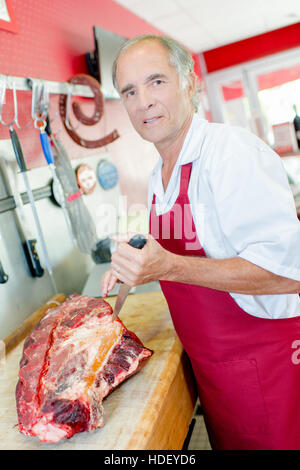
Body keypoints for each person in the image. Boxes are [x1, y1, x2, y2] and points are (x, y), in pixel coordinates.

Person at [101, 34, 300, 450]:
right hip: (216, 373)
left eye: (157, 81)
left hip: (270, 367)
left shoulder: (230, 154)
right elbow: (171, 245)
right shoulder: (159, 172)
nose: (143, 102)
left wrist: (170, 267)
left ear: (190, 82)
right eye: (130, 91)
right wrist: (133, 260)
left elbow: (290, 273)